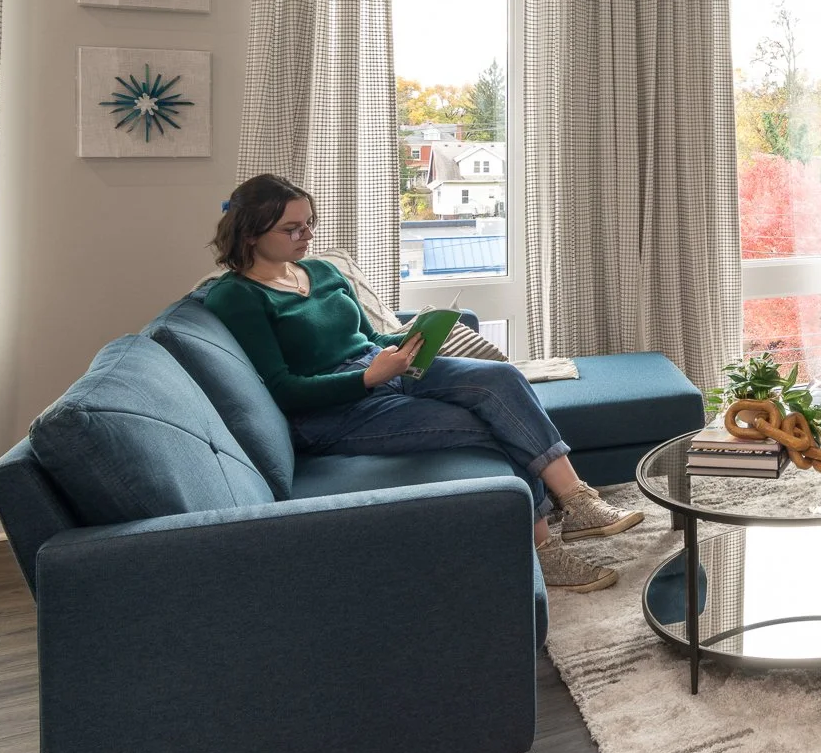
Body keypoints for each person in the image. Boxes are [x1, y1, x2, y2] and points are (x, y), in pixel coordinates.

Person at [204, 173, 639, 592]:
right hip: (334, 412)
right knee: (483, 430)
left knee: (499, 379)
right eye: (293, 229)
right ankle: (542, 553)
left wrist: (414, 338)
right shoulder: (237, 296)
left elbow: (368, 339)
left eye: (310, 224)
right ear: (250, 234)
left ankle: (579, 502)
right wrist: (368, 379)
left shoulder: (321, 272)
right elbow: (282, 388)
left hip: (383, 367)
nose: (308, 236)